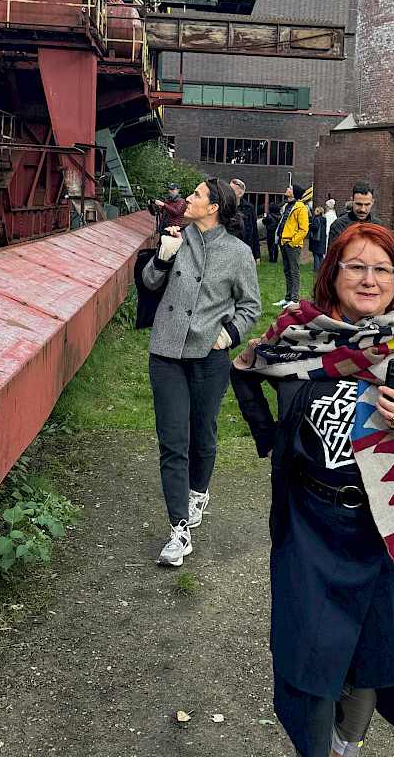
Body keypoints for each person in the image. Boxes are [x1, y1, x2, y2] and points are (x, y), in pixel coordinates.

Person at [231, 223, 394, 757]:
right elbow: (247, 365)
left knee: (375, 650)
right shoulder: (301, 334)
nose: (369, 279)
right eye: (357, 267)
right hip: (310, 523)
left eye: (382, 269)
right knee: (310, 653)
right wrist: (268, 436)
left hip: (386, 526)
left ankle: (348, 744)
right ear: (333, 274)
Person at [142, 177, 262, 567]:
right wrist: (164, 255)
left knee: (203, 432)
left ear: (213, 208)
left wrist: (227, 336)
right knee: (173, 440)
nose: (187, 199)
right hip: (166, 352)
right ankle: (179, 530)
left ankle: (198, 491)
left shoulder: (238, 253)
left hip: (209, 357)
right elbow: (149, 283)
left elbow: (251, 306)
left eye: (196, 195)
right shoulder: (177, 236)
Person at [275, 183, 309, 307]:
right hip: (284, 242)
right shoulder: (287, 206)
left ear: (294, 193)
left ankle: (294, 299)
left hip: (292, 245)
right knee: (287, 271)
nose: (287, 188)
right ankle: (288, 297)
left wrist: (293, 242)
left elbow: (304, 229)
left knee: (294, 272)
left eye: (290, 188)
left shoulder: (301, 208)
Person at [230, 178, 261, 265]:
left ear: (240, 194)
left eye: (232, 190)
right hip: (229, 247)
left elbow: (254, 231)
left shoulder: (249, 208)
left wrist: (256, 254)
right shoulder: (224, 207)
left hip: (245, 246)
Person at [308, 205, 327, 271]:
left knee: (315, 254)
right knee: (320, 254)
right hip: (322, 239)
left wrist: (309, 225)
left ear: (318, 212)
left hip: (316, 239)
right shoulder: (324, 219)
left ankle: (316, 268)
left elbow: (316, 227)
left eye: (315, 210)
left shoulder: (316, 218)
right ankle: (322, 268)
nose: (314, 211)